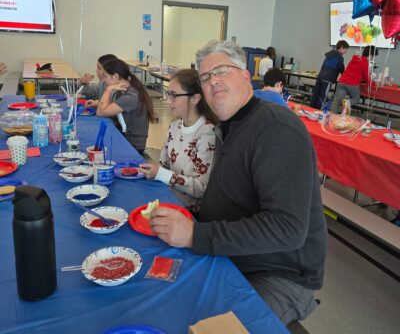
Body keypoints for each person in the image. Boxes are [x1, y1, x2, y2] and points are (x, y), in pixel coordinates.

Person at [149, 40, 327, 326]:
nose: (213, 80)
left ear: (246, 76)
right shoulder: (229, 127)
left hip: (277, 274)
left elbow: (287, 229)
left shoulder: (276, 128)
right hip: (231, 254)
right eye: (205, 77)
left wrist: (196, 234)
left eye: (221, 71)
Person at [138, 69, 218, 213]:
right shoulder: (174, 126)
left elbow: (201, 188)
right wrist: (153, 171)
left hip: (189, 212)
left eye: (174, 95)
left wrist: (161, 174)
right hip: (168, 199)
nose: (168, 101)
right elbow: (163, 165)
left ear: (195, 98)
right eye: (168, 94)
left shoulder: (207, 134)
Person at [96, 59, 155, 154]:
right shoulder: (124, 90)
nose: (104, 80)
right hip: (125, 138)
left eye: (106, 76)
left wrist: (108, 89)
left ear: (116, 76)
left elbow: (100, 112)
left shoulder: (131, 96)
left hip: (132, 146)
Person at [331, 45, 378, 114]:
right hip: (352, 84)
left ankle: (331, 117)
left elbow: (353, 71)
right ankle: (347, 103)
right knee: (356, 98)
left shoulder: (354, 59)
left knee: (336, 102)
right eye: (373, 57)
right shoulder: (364, 61)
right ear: (371, 55)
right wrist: (373, 83)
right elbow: (366, 77)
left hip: (342, 82)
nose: (372, 59)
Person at [310, 40, 349, 109]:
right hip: (327, 79)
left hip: (320, 77)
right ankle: (318, 111)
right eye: (345, 49)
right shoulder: (339, 57)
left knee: (316, 94)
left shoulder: (329, 54)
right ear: (341, 48)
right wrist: (346, 77)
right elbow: (341, 69)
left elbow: (323, 66)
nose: (346, 51)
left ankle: (311, 109)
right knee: (322, 96)